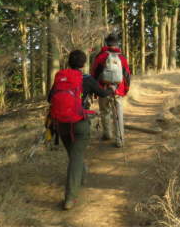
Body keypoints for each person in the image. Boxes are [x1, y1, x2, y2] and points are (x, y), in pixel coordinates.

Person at [48, 49, 116, 210]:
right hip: (79, 123)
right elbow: (102, 93)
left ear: (68, 62)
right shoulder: (86, 78)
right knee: (76, 157)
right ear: (84, 63)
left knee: (75, 154)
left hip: (61, 125)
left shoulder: (60, 78)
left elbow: (50, 98)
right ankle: (70, 198)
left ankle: (82, 174)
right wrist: (112, 89)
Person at [92, 33, 131, 148]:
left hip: (103, 89)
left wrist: (94, 90)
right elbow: (127, 75)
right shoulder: (122, 57)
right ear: (116, 44)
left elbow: (94, 74)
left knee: (104, 112)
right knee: (118, 113)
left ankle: (107, 134)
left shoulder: (100, 56)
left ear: (106, 43)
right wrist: (126, 89)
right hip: (118, 90)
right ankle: (119, 139)